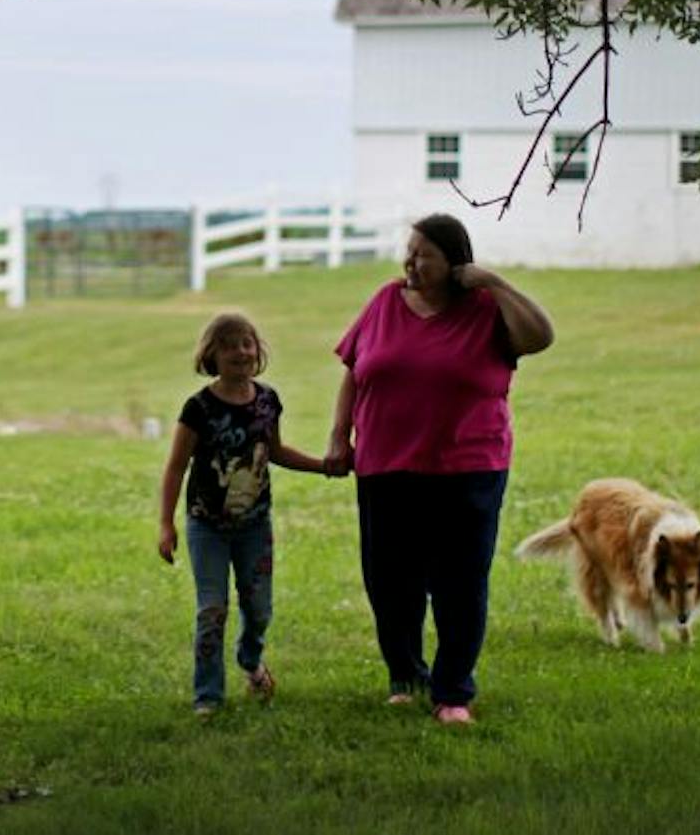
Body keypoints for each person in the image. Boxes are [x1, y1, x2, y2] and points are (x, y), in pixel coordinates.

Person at [323, 213, 554, 725]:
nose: (411, 261)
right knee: (389, 581)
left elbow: (541, 336)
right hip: (385, 464)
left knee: (460, 582)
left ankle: (452, 694)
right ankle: (405, 677)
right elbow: (354, 370)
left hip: (467, 467)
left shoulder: (487, 310)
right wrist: (341, 435)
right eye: (409, 251)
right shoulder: (385, 301)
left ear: (455, 263)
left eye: (424, 253)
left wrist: (492, 281)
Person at [156, 311, 331, 717]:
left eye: (247, 342)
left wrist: (324, 465)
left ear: (258, 351)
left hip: (254, 526)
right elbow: (176, 466)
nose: (240, 351)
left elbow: (277, 451)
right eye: (229, 344)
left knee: (259, 609)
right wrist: (166, 524)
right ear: (211, 354)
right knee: (211, 608)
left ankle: (250, 660)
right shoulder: (198, 408)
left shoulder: (267, 400)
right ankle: (208, 696)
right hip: (207, 526)